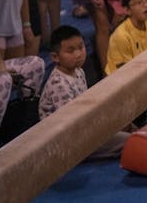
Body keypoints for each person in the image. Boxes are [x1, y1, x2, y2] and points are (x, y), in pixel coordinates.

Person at [38, 26, 129, 159]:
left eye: (81, 47)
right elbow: (70, 125)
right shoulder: (59, 84)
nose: (78, 54)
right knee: (130, 141)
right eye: (70, 51)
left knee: (124, 119)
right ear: (55, 57)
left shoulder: (79, 71)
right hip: (67, 142)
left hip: (83, 128)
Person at [0, 0, 44, 159]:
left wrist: (1, 67)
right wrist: (1, 73)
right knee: (1, 79)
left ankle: (25, 124)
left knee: (34, 64)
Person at [105, 0, 147, 76]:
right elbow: (125, 72)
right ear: (127, 10)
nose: (146, 5)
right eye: (139, 2)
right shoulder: (122, 36)